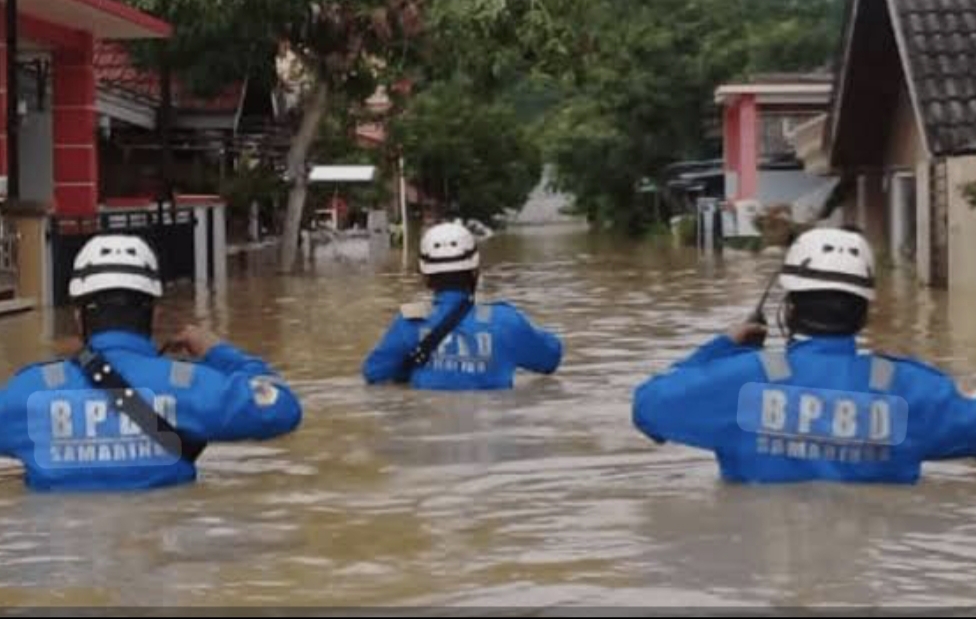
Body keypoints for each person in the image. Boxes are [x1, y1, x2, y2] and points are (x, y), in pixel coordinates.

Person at [632, 226, 976, 484]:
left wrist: (721, 348)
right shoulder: (906, 386)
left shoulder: (740, 378)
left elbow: (647, 408)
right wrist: (914, 374)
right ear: (864, 314)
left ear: (789, 309)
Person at [0, 234, 303, 492]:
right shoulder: (192, 385)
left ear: (79, 319)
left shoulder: (25, 393)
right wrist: (219, 352)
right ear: (155, 316)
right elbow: (283, 407)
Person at [362, 221, 562, 390]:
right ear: (475, 272)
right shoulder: (506, 320)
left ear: (425, 277)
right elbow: (551, 358)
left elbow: (373, 373)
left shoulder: (409, 321)